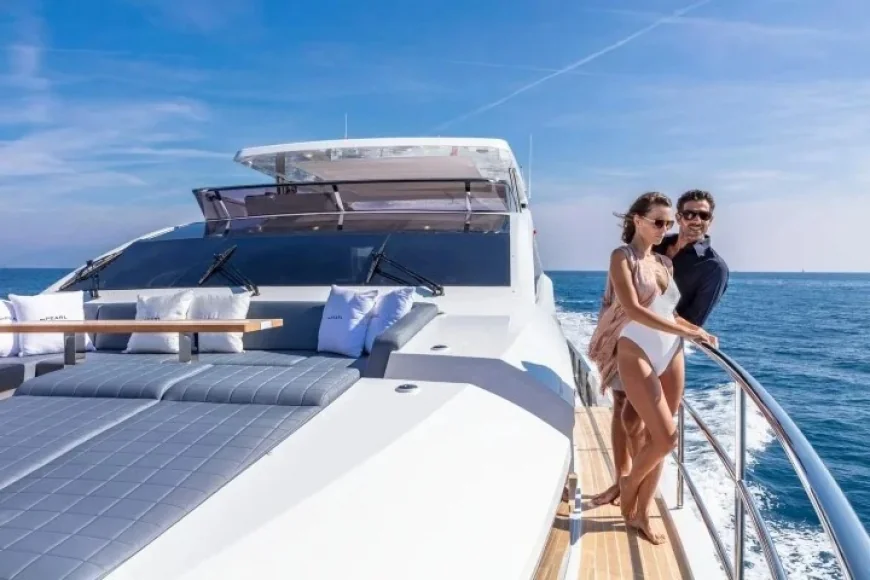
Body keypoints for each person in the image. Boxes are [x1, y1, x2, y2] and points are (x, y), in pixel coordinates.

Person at [587, 192, 717, 544]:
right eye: (658, 222)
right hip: (636, 348)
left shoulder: (664, 262)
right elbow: (632, 308)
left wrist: (696, 331)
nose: (665, 229)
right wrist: (683, 331)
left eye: (668, 223)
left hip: (668, 351)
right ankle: (628, 485)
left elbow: (668, 313)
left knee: (659, 438)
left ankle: (641, 512)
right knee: (666, 436)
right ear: (637, 220)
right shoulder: (622, 257)